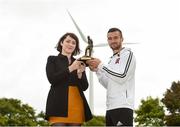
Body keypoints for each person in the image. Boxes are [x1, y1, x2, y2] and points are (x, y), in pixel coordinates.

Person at [86, 28, 136, 126]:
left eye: (115, 37)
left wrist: (101, 65)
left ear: (122, 39)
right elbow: (109, 84)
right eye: (110, 38)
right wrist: (98, 71)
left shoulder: (128, 54)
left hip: (123, 107)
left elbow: (122, 76)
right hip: (110, 108)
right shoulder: (111, 60)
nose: (112, 41)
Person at [45, 32, 93, 126]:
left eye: (73, 43)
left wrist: (79, 74)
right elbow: (52, 79)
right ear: (61, 43)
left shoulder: (79, 62)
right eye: (68, 41)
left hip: (76, 104)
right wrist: (71, 68)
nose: (70, 44)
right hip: (58, 103)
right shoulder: (52, 59)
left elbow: (84, 87)